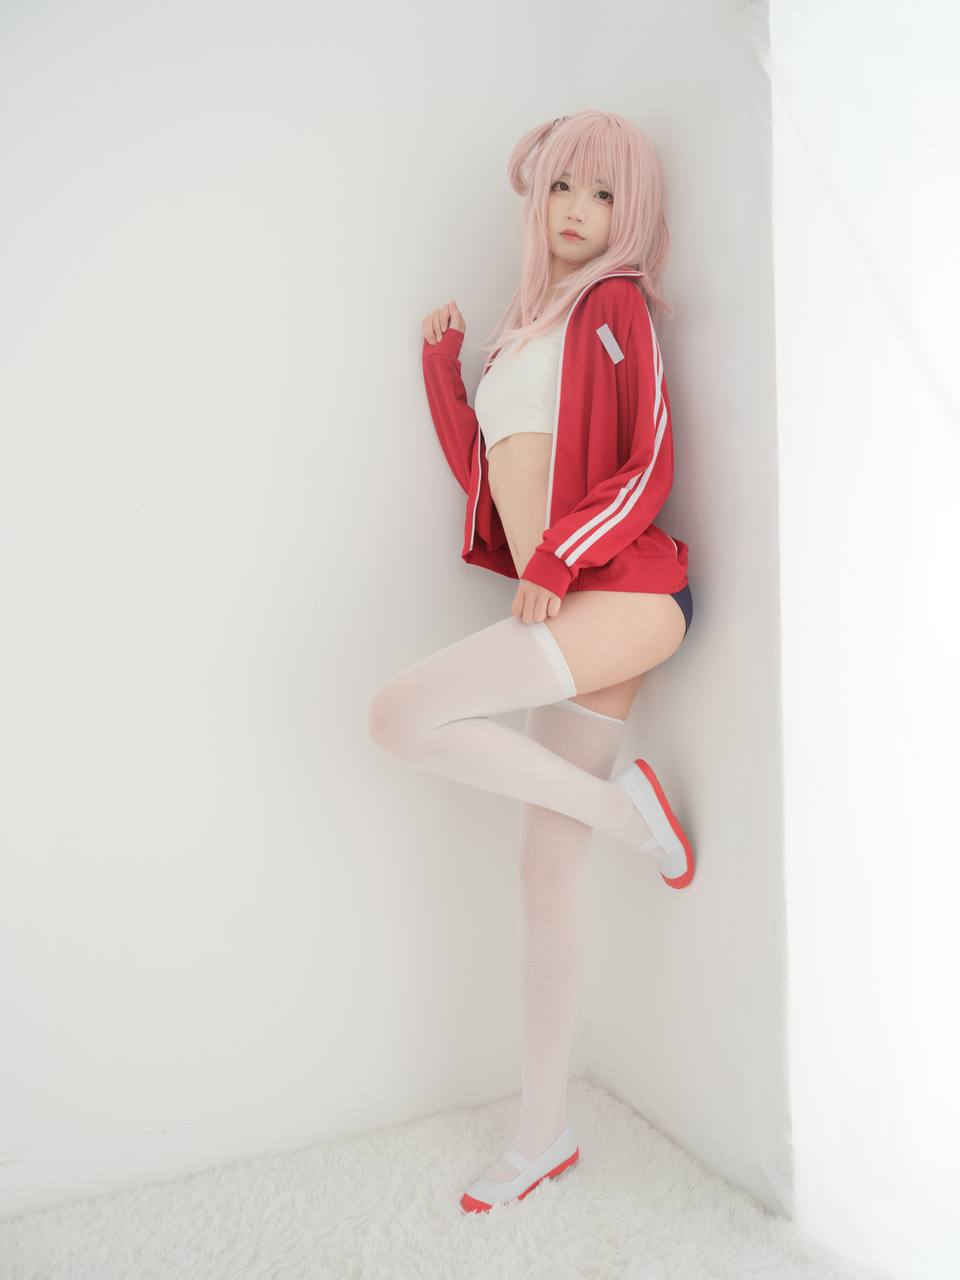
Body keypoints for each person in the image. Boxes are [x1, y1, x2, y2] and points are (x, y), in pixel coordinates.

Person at [368, 109, 695, 1213]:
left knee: (401, 716)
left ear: (628, 214)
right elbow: (486, 469)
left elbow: (650, 455)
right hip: (577, 599)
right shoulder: (525, 332)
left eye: (604, 195)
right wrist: (441, 370)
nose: (578, 212)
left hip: (627, 590)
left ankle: (632, 819)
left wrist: (558, 555)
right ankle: (543, 1133)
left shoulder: (616, 304)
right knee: (542, 878)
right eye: (563, 187)